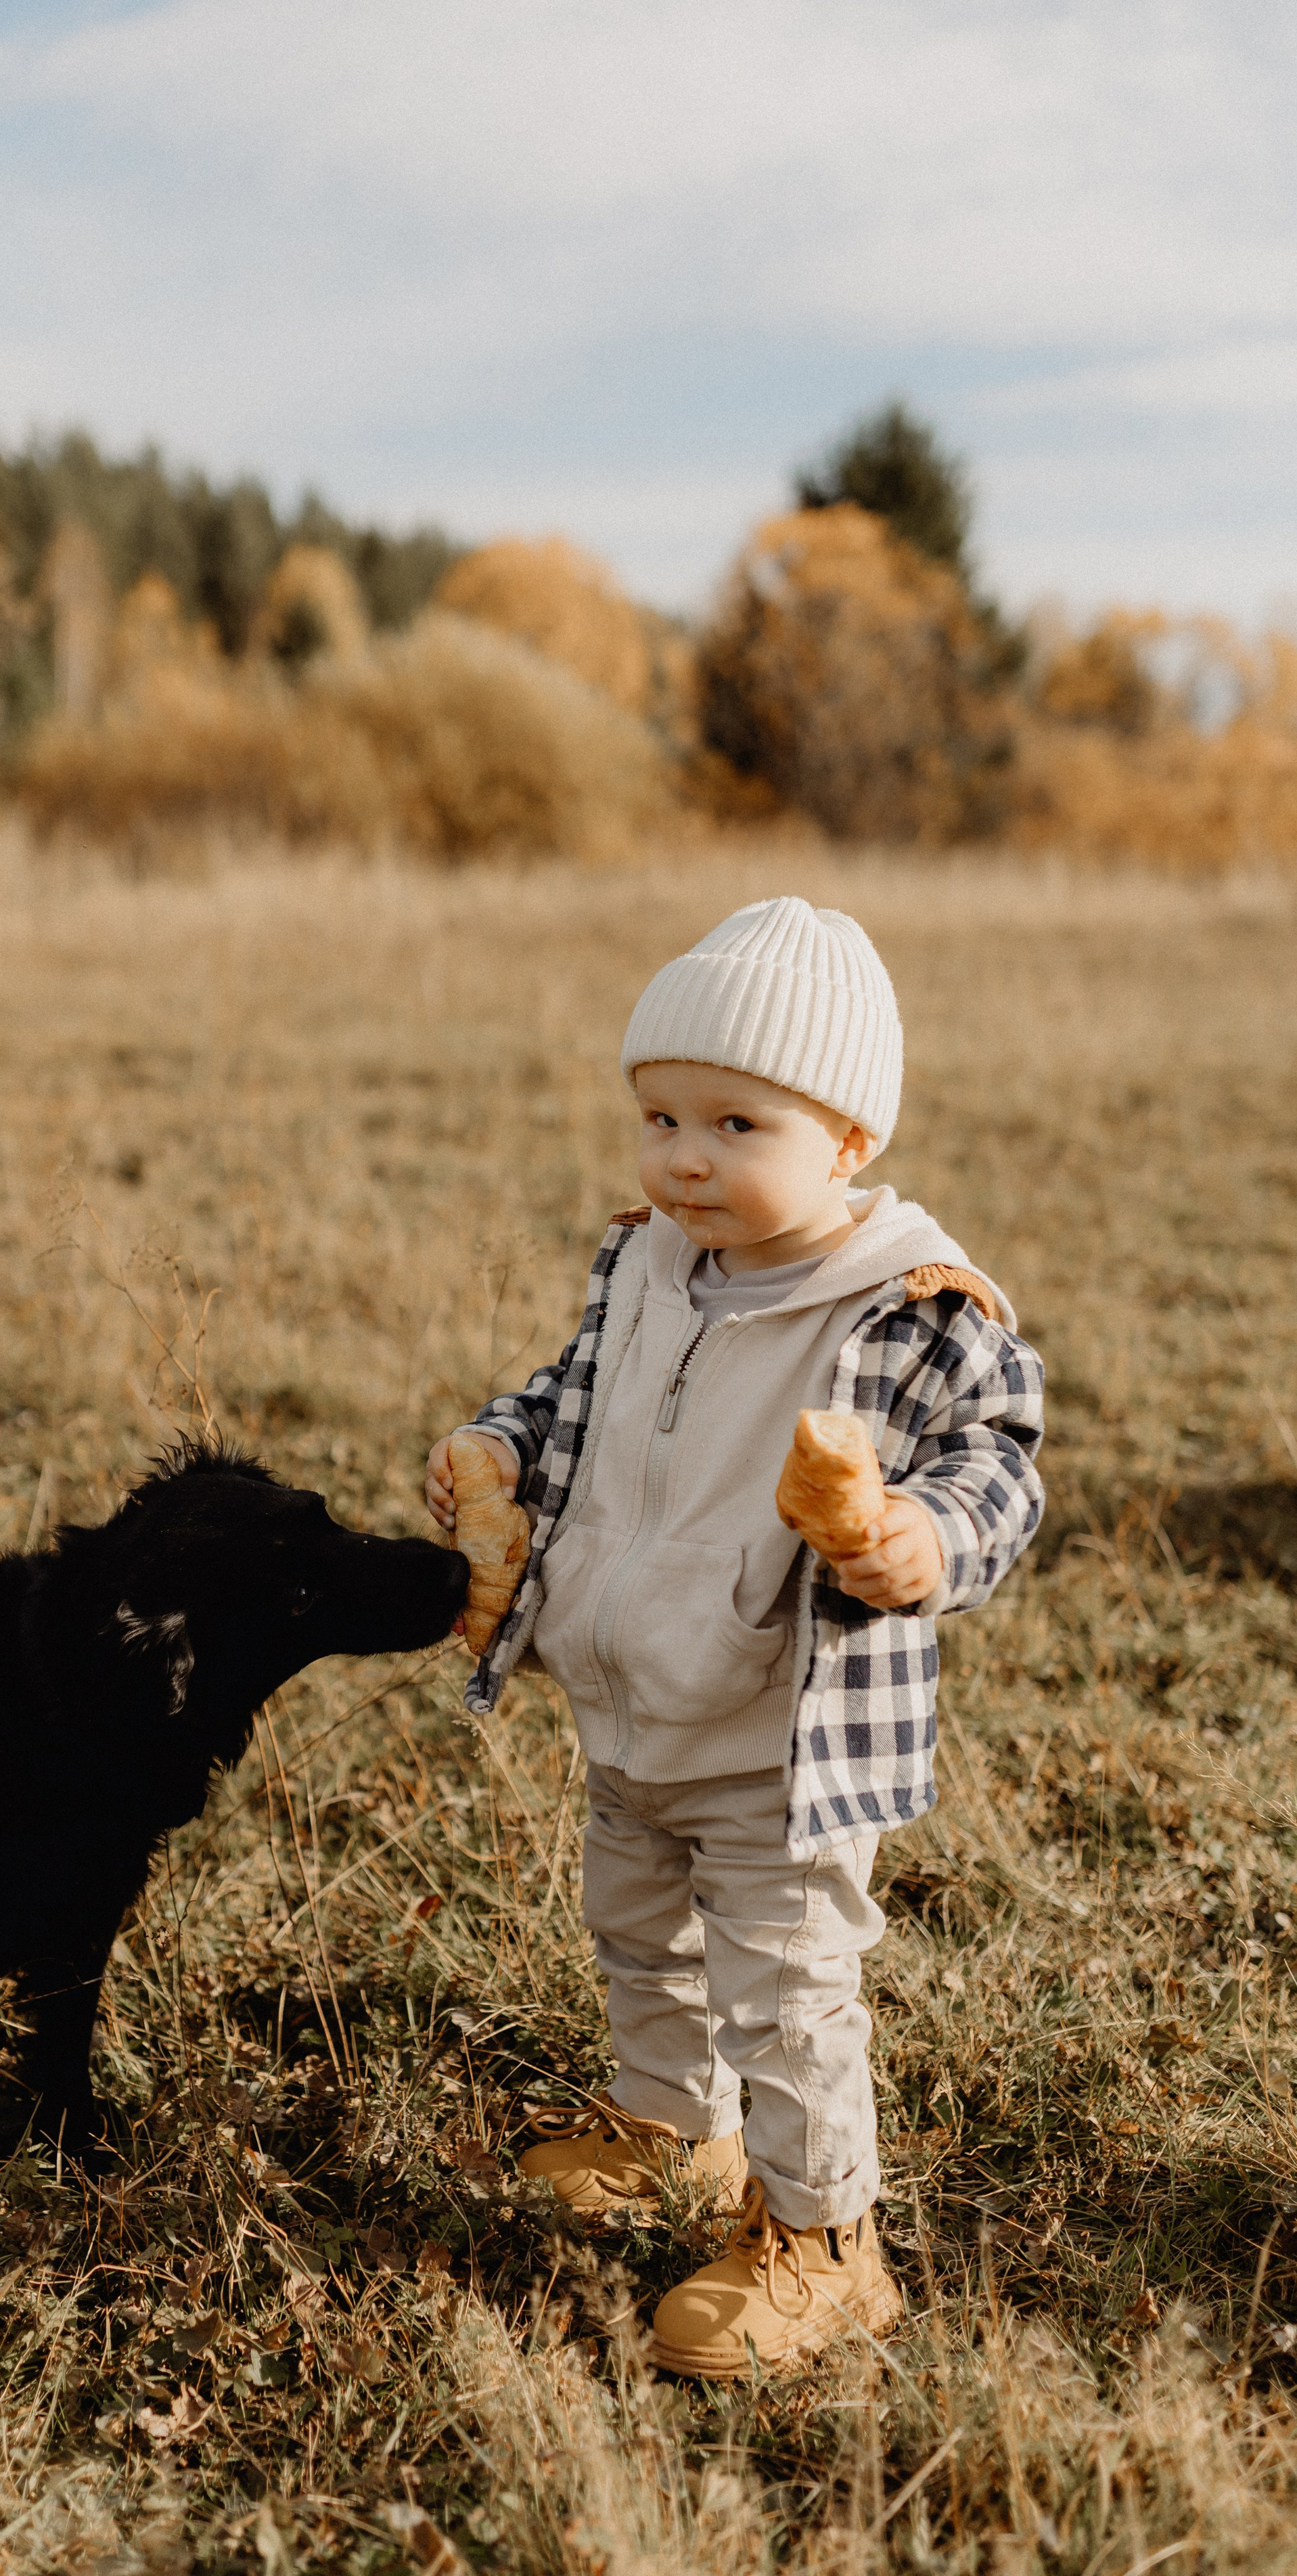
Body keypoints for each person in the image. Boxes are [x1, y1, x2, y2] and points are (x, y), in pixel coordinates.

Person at [425, 896, 1045, 2376]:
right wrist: (500, 1444)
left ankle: (827, 2243)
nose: (684, 1158)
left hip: (781, 1733)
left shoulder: (907, 1306)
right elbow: (569, 1395)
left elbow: (996, 1464)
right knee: (639, 1937)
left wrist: (921, 1535)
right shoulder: (646, 1261)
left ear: (847, 1142)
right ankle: (671, 2127)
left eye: (735, 1124)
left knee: (784, 1988)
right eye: (660, 1118)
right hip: (635, 1697)